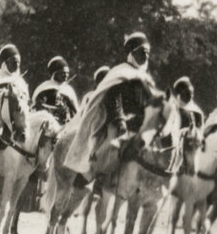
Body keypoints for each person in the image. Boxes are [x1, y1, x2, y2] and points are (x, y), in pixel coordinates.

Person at [63, 32, 158, 181]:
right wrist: (119, 118)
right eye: (141, 52)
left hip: (137, 122)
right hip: (116, 120)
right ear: (132, 53)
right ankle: (97, 176)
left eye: (147, 53)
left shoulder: (145, 78)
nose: (145, 56)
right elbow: (113, 96)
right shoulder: (120, 72)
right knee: (113, 143)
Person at [32, 56, 78, 123]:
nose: (66, 75)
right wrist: (55, 110)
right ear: (54, 74)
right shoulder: (44, 87)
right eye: (63, 72)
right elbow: (38, 107)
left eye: (67, 73)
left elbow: (76, 112)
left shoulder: (69, 89)